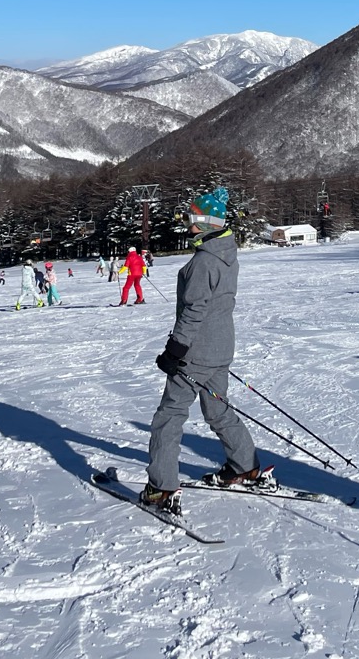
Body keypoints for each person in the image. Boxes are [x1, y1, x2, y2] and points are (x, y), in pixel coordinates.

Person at [143, 188, 261, 514]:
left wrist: (175, 349)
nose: (188, 225)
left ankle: (161, 488)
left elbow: (194, 311)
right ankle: (245, 467)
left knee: (169, 417)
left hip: (195, 352)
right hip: (221, 347)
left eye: (193, 220)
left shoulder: (203, 261)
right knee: (218, 410)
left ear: (208, 224)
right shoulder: (226, 253)